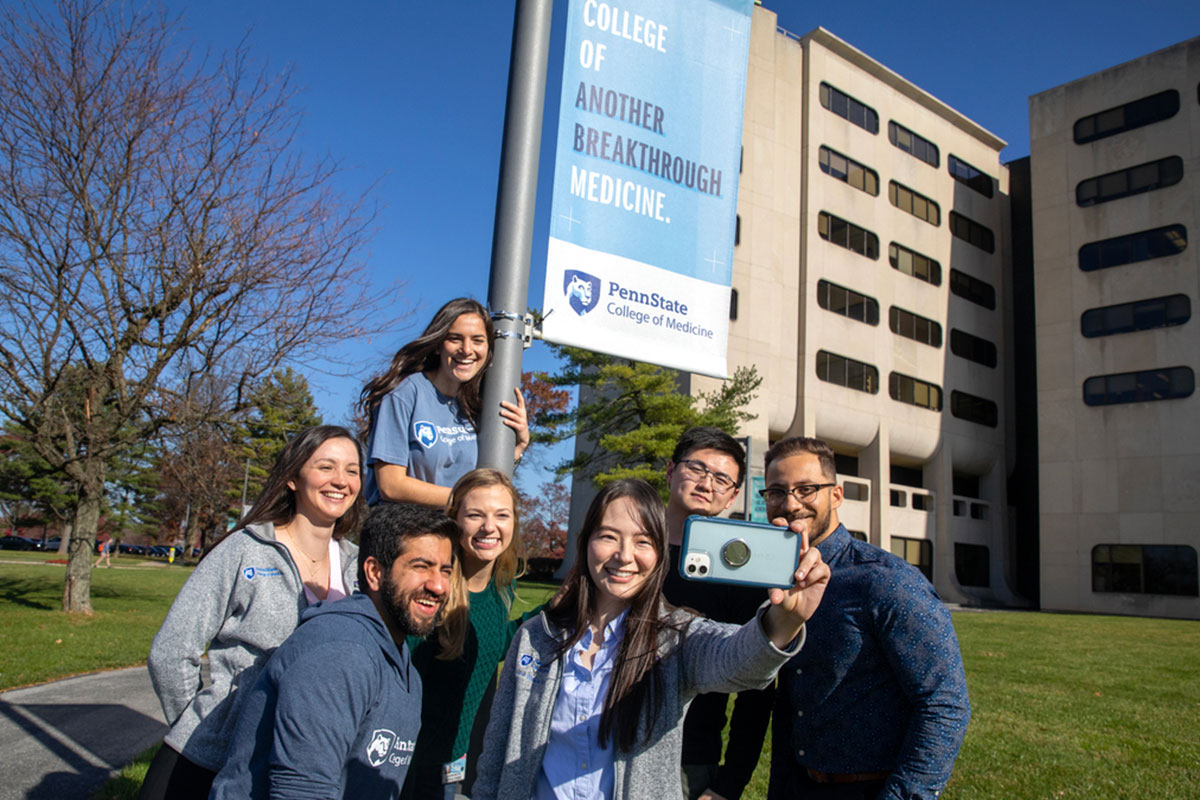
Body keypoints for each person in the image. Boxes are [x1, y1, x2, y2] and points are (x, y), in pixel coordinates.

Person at [474, 478, 830, 800]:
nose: (624, 556)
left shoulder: (676, 637)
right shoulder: (536, 636)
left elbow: (737, 661)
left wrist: (783, 621)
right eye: (609, 536)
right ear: (586, 543)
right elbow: (496, 753)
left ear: (660, 555)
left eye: (642, 541)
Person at [142, 426, 364, 800]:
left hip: (303, 766)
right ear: (293, 477)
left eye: (353, 470)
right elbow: (171, 651)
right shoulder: (245, 550)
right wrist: (204, 727)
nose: (341, 481)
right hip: (212, 761)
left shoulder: (359, 568)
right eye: (326, 467)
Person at [761, 437, 971, 800]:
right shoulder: (776, 582)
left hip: (871, 788)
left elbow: (944, 702)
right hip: (799, 784)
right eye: (777, 492)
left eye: (806, 489)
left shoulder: (884, 580)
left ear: (837, 495)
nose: (791, 503)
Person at [209, 502, 458, 800]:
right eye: (421, 566)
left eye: (445, 570)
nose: (440, 586)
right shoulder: (340, 653)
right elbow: (301, 792)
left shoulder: (403, 666)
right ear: (375, 573)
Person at [400, 468, 541, 800]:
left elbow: (489, 644)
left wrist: (546, 615)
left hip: (453, 762)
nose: (489, 527)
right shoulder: (434, 588)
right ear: (455, 519)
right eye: (476, 514)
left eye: (501, 515)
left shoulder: (503, 585)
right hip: (407, 764)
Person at [660, 427, 772, 800]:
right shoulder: (628, 548)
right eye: (697, 468)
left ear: (734, 496)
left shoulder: (741, 572)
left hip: (687, 761)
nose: (707, 484)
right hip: (599, 741)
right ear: (671, 470)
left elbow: (756, 688)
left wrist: (729, 784)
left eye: (722, 479)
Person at [360, 297, 529, 508]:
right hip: (403, 530)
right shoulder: (405, 393)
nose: (467, 350)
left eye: (477, 340)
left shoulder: (477, 405)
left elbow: (487, 480)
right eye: (455, 339)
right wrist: (468, 500)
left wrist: (518, 447)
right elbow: (391, 485)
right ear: (439, 345)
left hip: (455, 532)